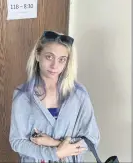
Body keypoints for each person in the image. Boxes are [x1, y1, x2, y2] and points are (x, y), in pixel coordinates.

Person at [9, 30, 100, 163]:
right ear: (38, 55)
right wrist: (54, 153)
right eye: (49, 57)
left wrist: (53, 143)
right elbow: (17, 142)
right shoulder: (23, 96)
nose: (54, 66)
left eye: (62, 60)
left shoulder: (78, 95)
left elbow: (92, 139)